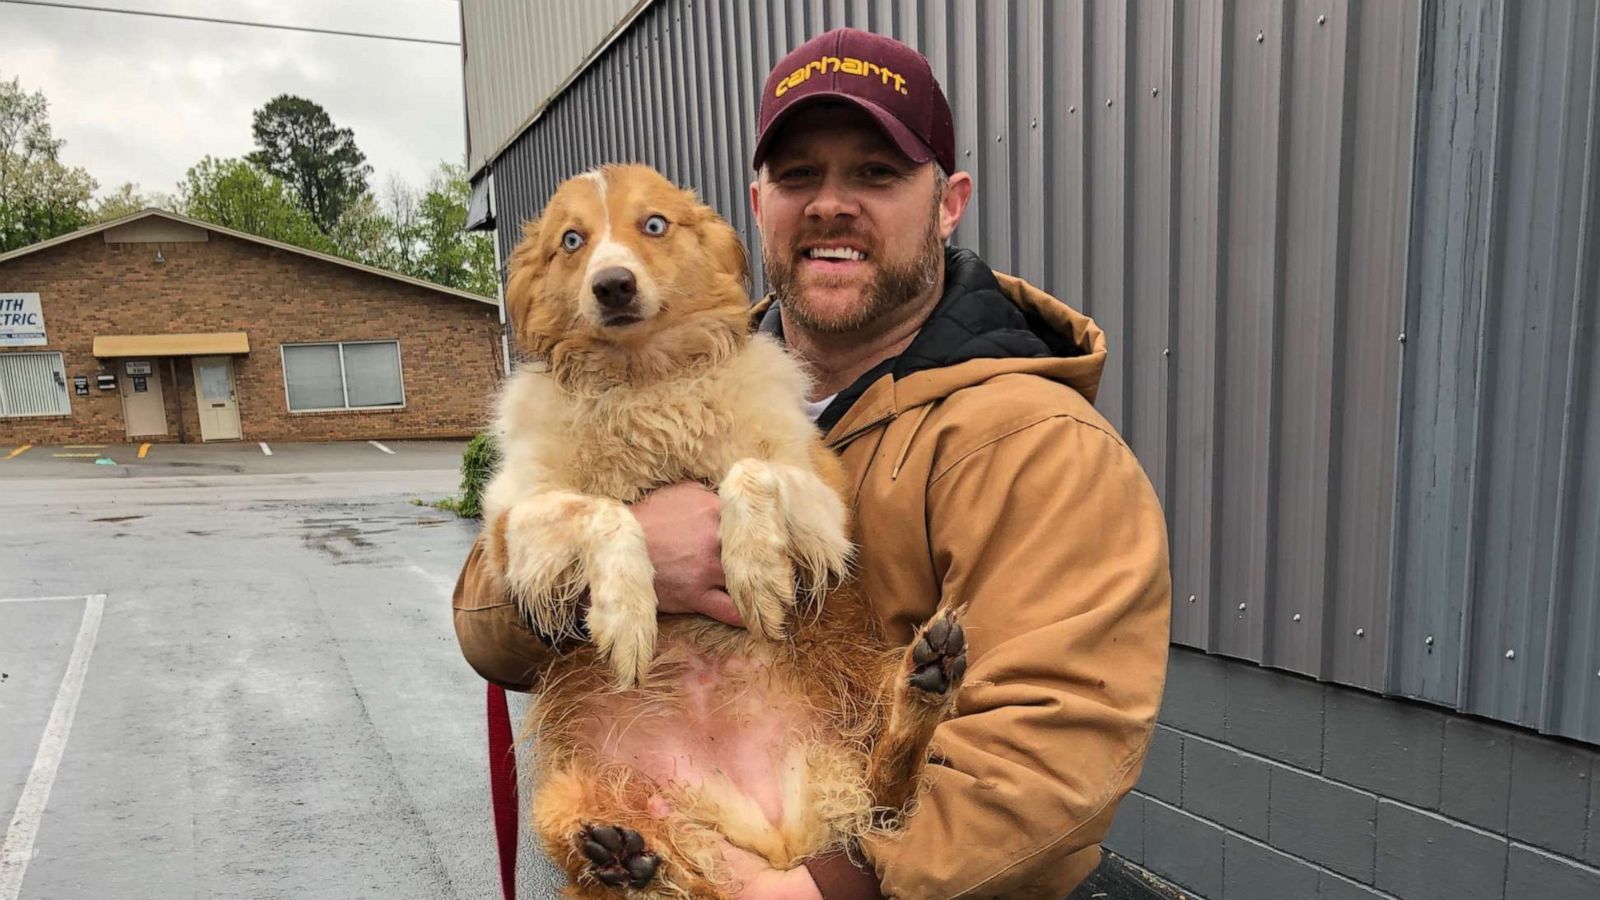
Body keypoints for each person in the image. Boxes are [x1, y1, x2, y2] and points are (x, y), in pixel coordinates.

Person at [453, 26, 1171, 900]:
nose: (832, 205)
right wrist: (637, 553)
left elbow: (1050, 761)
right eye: (799, 177)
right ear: (757, 206)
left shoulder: (1037, 445)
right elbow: (486, 629)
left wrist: (804, 890)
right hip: (661, 794)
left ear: (949, 202)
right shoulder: (647, 371)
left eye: (876, 173)